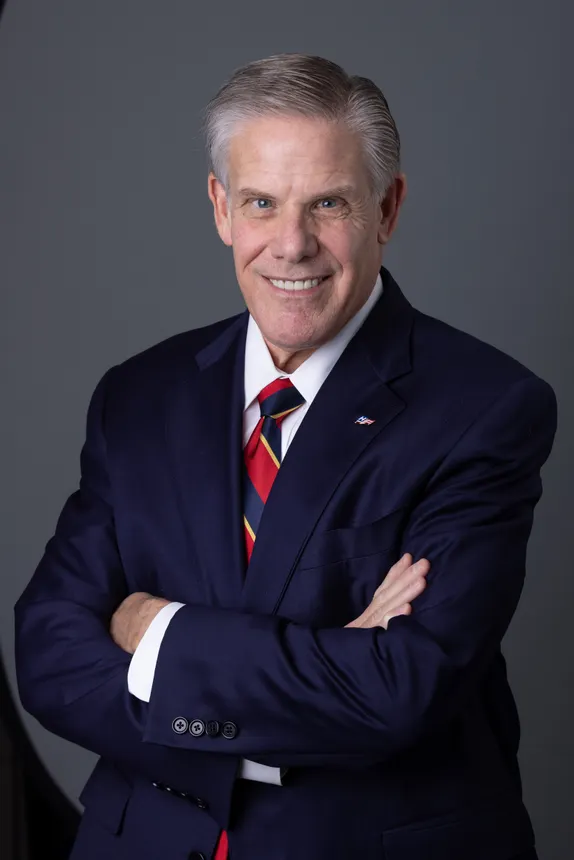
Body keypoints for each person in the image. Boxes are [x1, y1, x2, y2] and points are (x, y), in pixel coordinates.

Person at [14, 53, 555, 860]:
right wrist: (307, 685)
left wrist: (155, 629)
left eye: (328, 203)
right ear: (220, 207)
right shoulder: (138, 396)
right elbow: (51, 654)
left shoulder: (485, 408)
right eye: (262, 203)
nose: (292, 245)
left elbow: (399, 688)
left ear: (388, 206)